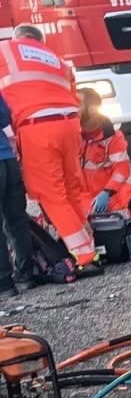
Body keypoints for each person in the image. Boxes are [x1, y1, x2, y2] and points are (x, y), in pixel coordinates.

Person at [0, 25, 101, 276]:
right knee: (71, 190)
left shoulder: (6, 49)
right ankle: (91, 248)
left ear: (18, 39)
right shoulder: (56, 60)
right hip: (69, 124)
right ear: (39, 41)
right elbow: (74, 95)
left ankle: (85, 257)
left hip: (38, 127)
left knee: (52, 195)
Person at [79, 89, 131, 218]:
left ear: (92, 109)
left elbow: (122, 168)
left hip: (108, 191)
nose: (72, 108)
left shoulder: (113, 137)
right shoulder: (71, 136)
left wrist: (107, 191)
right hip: (80, 196)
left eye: (77, 104)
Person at [0, 94, 35, 296]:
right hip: (8, 160)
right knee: (16, 220)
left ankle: (4, 283)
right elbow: (5, 117)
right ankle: (26, 274)